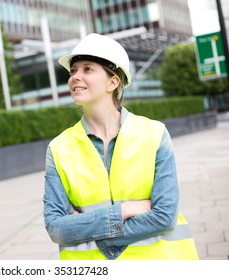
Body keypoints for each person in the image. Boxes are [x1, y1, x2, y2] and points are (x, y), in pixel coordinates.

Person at [43, 33, 199, 260]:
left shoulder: (155, 134)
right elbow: (57, 228)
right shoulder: (58, 148)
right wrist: (124, 211)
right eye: (73, 70)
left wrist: (85, 229)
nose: (75, 76)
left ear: (113, 81)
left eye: (87, 69)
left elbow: (164, 216)